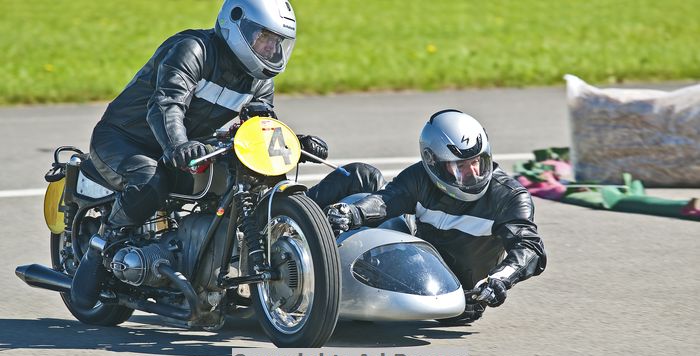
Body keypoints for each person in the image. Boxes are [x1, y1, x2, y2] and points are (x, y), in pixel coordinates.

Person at [71, 0, 329, 309]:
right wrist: (178, 145)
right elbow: (166, 104)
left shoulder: (260, 80)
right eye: (264, 38)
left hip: (188, 146)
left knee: (243, 180)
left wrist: (294, 145)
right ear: (237, 25)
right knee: (150, 182)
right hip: (126, 139)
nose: (271, 48)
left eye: (277, 42)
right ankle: (103, 243)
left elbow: (259, 127)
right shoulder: (194, 49)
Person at [325, 109, 547, 323]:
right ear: (434, 164)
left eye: (477, 161)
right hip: (410, 260)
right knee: (361, 176)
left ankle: (328, 268)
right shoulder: (420, 178)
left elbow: (529, 247)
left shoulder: (509, 197)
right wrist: (352, 213)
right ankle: (296, 219)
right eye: (460, 166)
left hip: (456, 299)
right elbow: (387, 201)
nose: (473, 174)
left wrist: (501, 279)